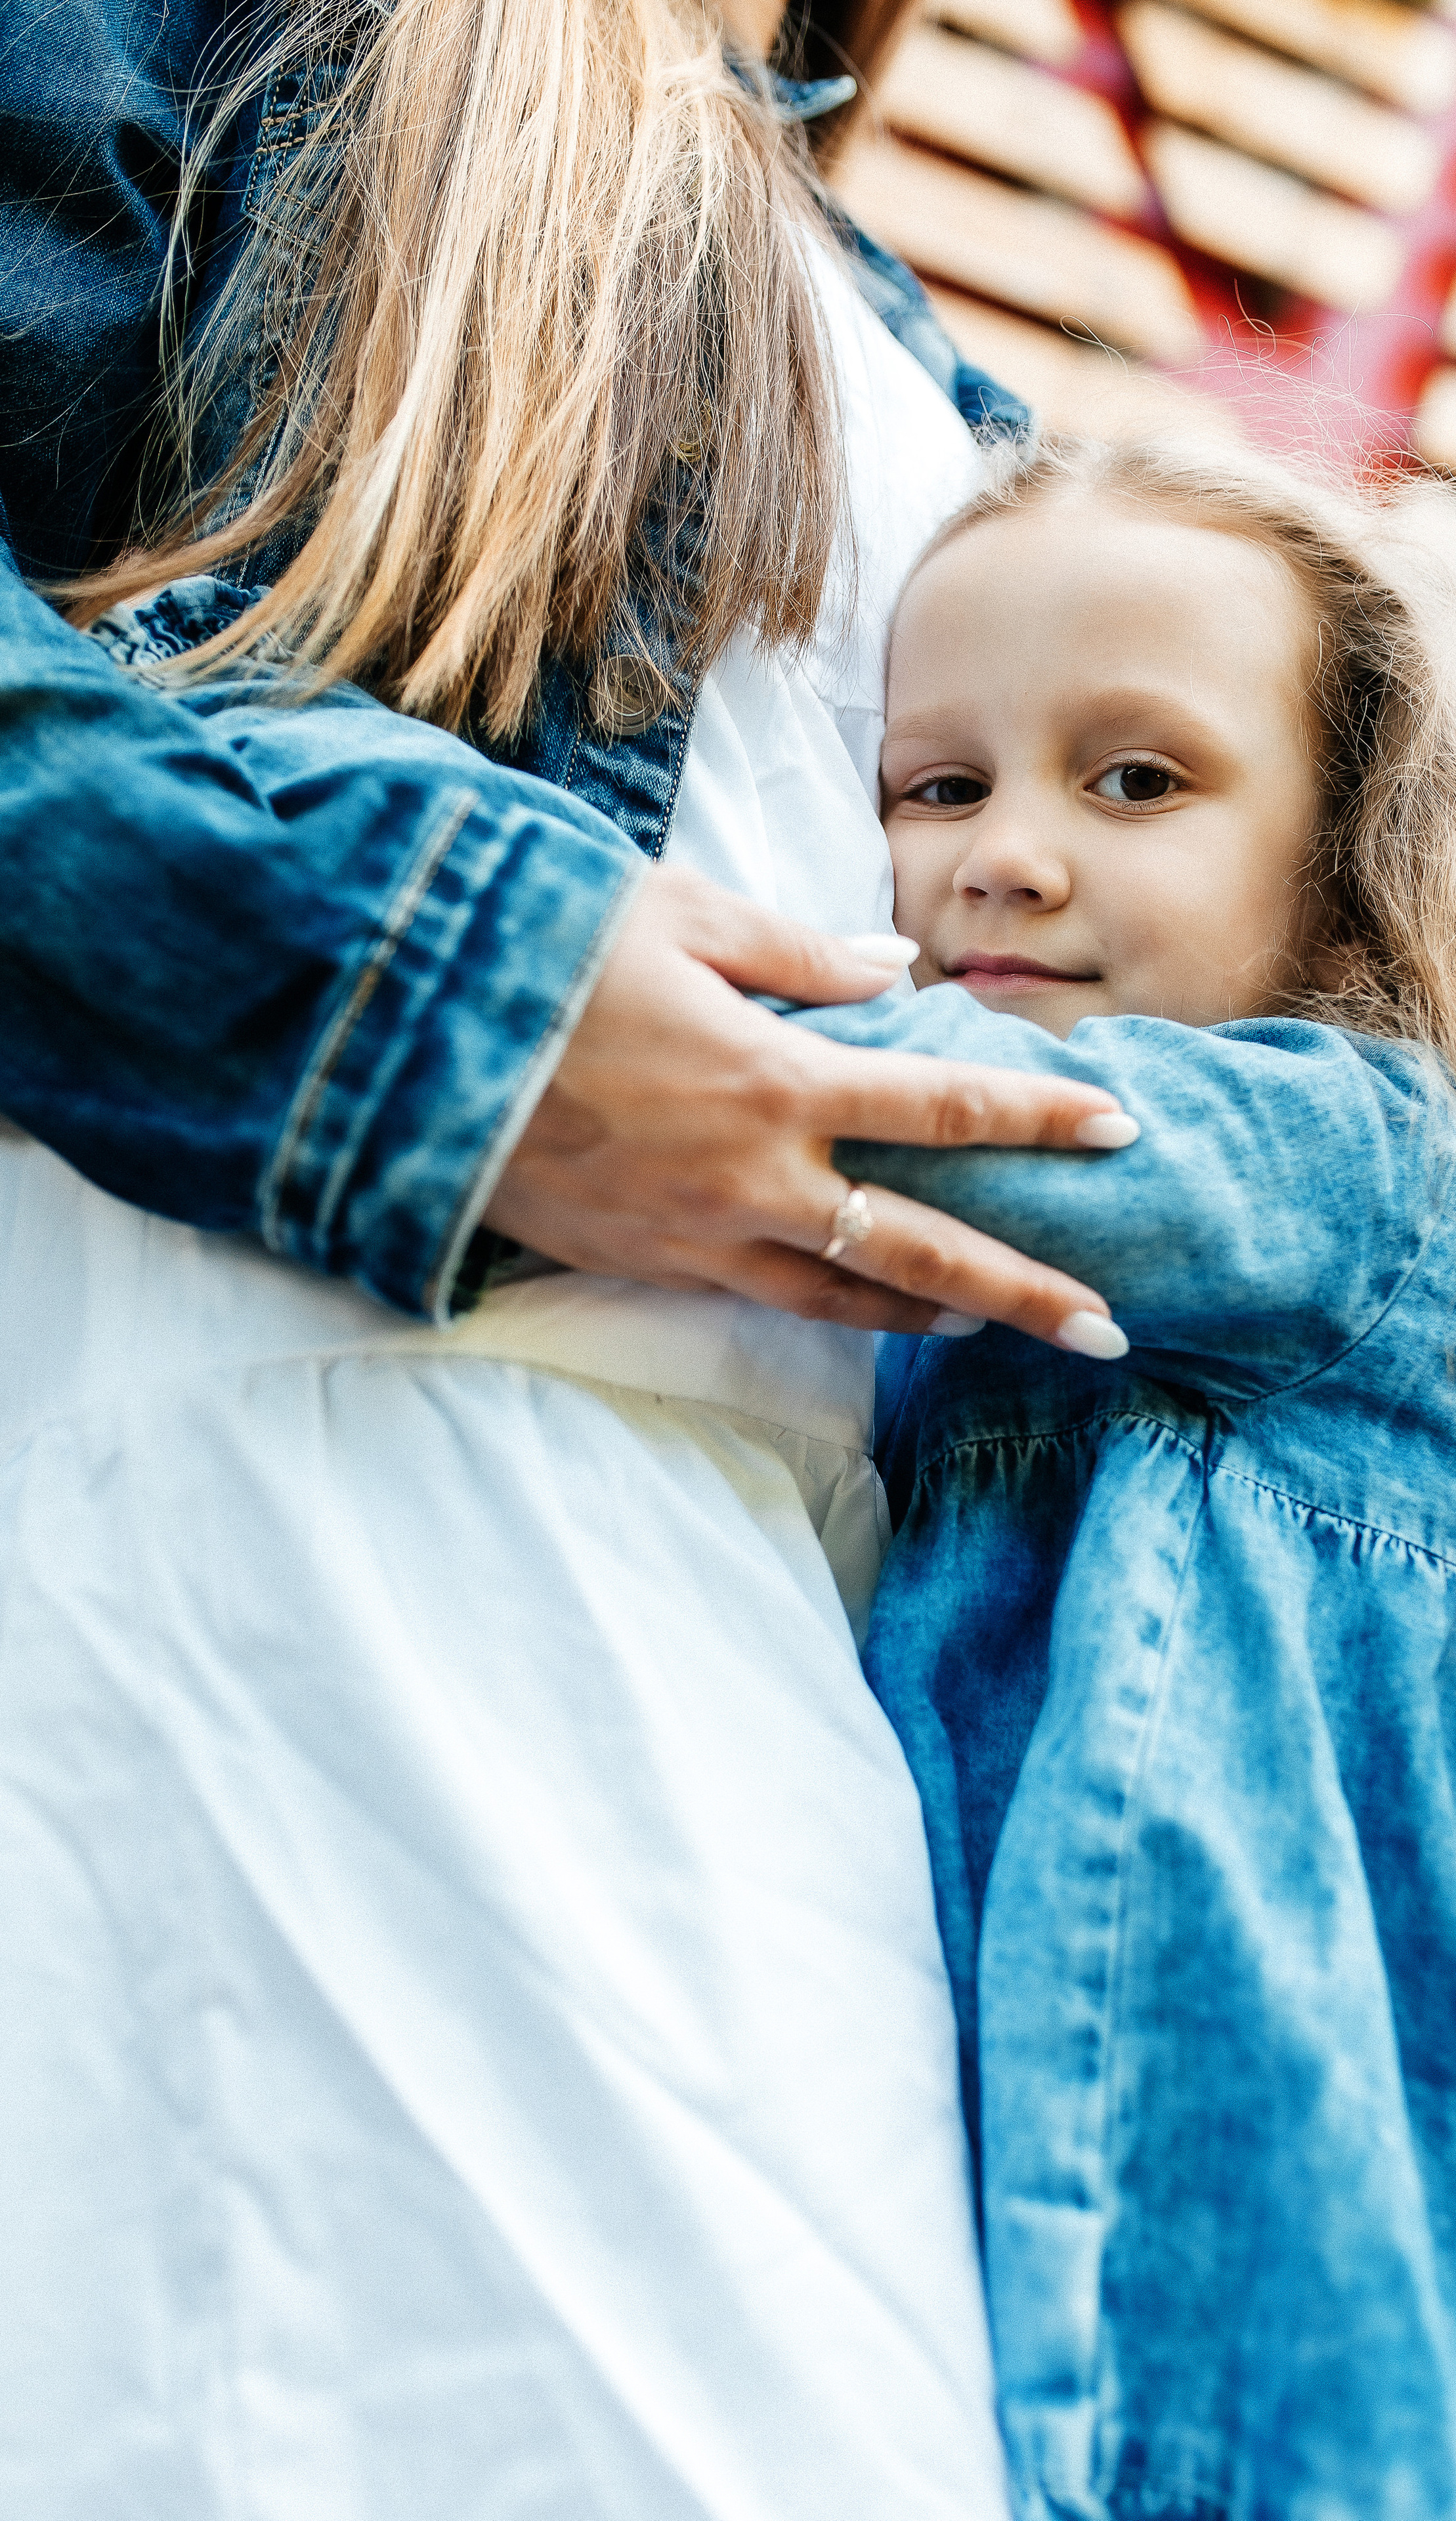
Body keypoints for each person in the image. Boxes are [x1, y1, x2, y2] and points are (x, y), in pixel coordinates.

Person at [0, 6, 1134, 2516]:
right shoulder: (202, 45)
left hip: (797, 1693)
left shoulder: (942, 375)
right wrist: (448, 1012)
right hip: (319, 1574)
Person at [792, 437, 1456, 2516]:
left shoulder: (1343, 1166)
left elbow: (934, 1121)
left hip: (1301, 2364)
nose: (1003, 856)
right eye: (938, 785)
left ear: (1341, 863)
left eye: (1136, 783)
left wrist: (519, 959)